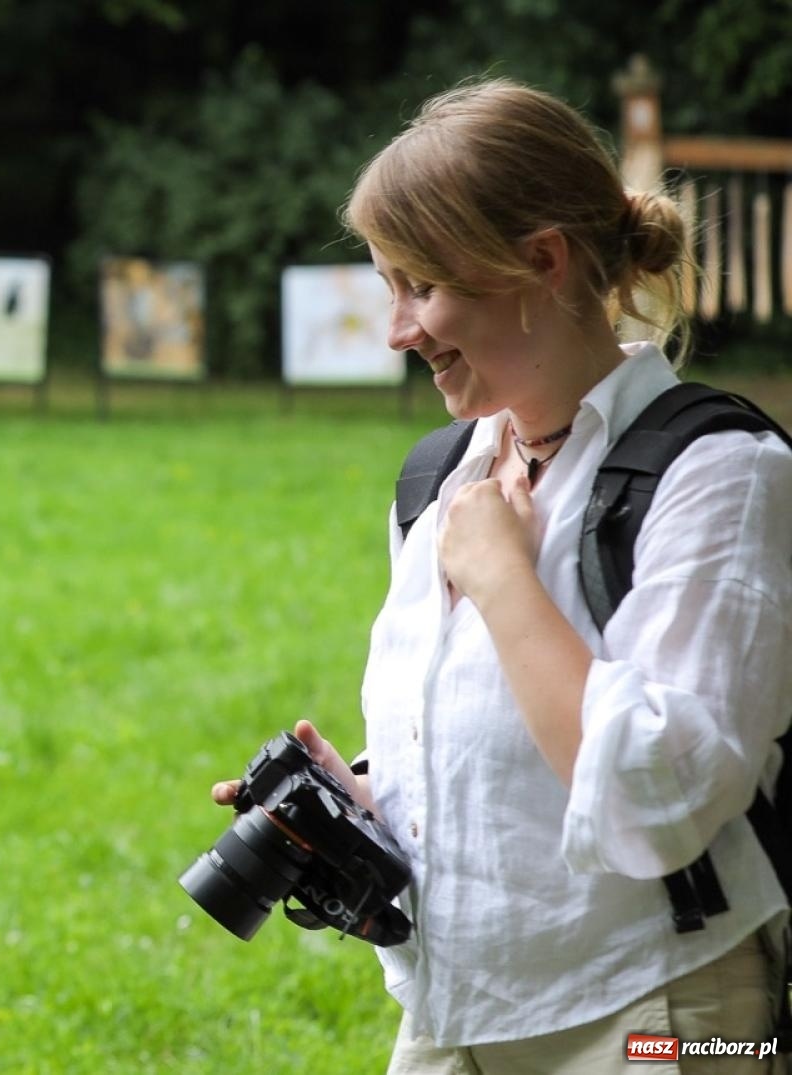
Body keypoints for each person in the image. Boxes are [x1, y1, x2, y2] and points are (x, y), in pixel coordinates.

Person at [212, 80, 791, 1073]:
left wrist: (502, 579)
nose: (398, 330)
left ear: (540, 261)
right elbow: (522, 734)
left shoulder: (723, 474)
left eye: (420, 287)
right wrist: (362, 797)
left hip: (657, 1012)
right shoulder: (442, 477)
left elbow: (657, 808)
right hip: (452, 1010)